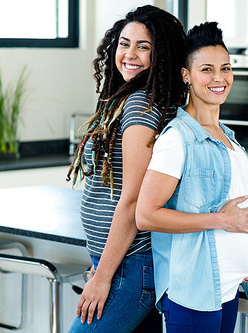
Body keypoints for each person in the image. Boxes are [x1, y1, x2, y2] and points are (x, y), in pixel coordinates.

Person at [136, 22, 248, 332]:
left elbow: (235, 207)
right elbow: (146, 215)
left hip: (228, 287)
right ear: (187, 75)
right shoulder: (178, 139)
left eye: (225, 68)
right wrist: (221, 221)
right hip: (194, 291)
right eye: (207, 69)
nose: (219, 78)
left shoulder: (228, 137)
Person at [66, 5, 187, 332]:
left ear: (161, 56)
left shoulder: (140, 105)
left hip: (128, 267)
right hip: (119, 263)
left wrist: (103, 276)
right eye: (124, 43)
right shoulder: (130, 99)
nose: (129, 54)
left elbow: (132, 199)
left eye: (143, 46)